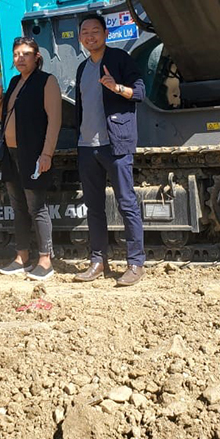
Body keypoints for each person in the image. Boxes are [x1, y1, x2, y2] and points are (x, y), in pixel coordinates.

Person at [74, 14, 146, 287]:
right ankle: (98, 261)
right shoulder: (82, 68)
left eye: (95, 31)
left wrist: (117, 88)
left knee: (126, 203)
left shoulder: (120, 60)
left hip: (115, 144)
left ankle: (136, 263)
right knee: (93, 207)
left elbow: (140, 93)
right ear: (80, 37)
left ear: (105, 33)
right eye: (85, 32)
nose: (90, 36)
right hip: (86, 146)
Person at [0, 37, 61, 281]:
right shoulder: (14, 82)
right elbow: (4, 116)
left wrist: (47, 153)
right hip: (11, 155)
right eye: (17, 54)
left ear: (37, 56)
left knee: (36, 207)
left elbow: (54, 120)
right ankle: (22, 258)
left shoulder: (47, 81)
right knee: (18, 208)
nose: (20, 58)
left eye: (26, 53)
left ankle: (45, 261)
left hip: (33, 154)